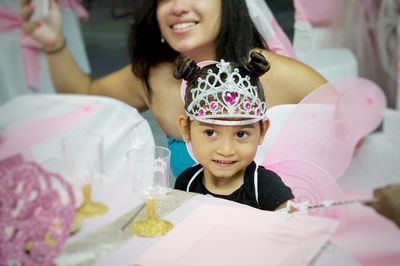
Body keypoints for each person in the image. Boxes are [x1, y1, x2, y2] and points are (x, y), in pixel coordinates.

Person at [21, 0, 326, 177]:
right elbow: (86, 95)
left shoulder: (275, 73)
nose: (178, 7)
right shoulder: (153, 77)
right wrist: (53, 44)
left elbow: (353, 125)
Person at [173, 52, 294, 211]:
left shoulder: (266, 188)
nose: (226, 150)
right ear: (186, 129)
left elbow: (293, 227)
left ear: (262, 131)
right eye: (210, 133)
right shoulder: (186, 183)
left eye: (241, 134)